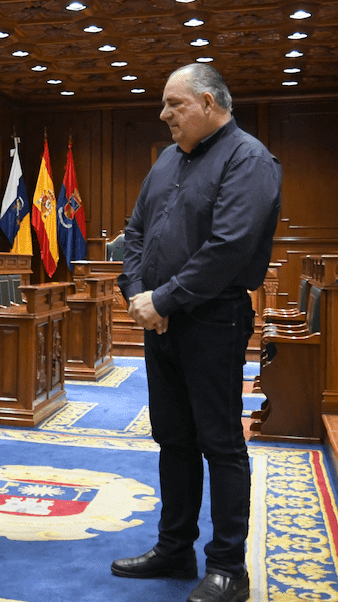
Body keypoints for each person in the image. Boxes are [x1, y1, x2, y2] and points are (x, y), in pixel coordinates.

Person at [112, 64, 281, 602]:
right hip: (160, 321)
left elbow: (229, 248)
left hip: (214, 321)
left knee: (220, 442)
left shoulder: (249, 159)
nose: (164, 114)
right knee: (173, 438)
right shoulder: (166, 160)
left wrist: (163, 299)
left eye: (174, 104)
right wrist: (140, 295)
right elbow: (135, 233)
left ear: (209, 103)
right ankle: (175, 547)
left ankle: (229, 568)